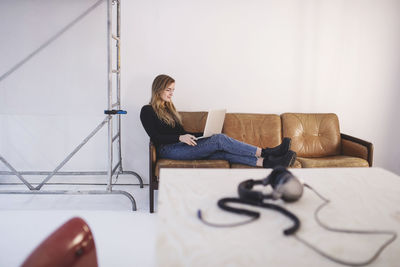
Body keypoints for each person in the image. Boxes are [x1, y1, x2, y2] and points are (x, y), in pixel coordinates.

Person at [140, 74, 297, 168]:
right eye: (168, 90)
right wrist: (180, 138)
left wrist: (205, 134)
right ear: (158, 89)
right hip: (168, 150)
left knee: (222, 152)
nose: (171, 93)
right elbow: (155, 136)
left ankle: (269, 163)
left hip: (180, 146)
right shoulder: (147, 110)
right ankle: (266, 151)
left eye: (173, 90)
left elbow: (182, 134)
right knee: (220, 140)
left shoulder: (170, 109)